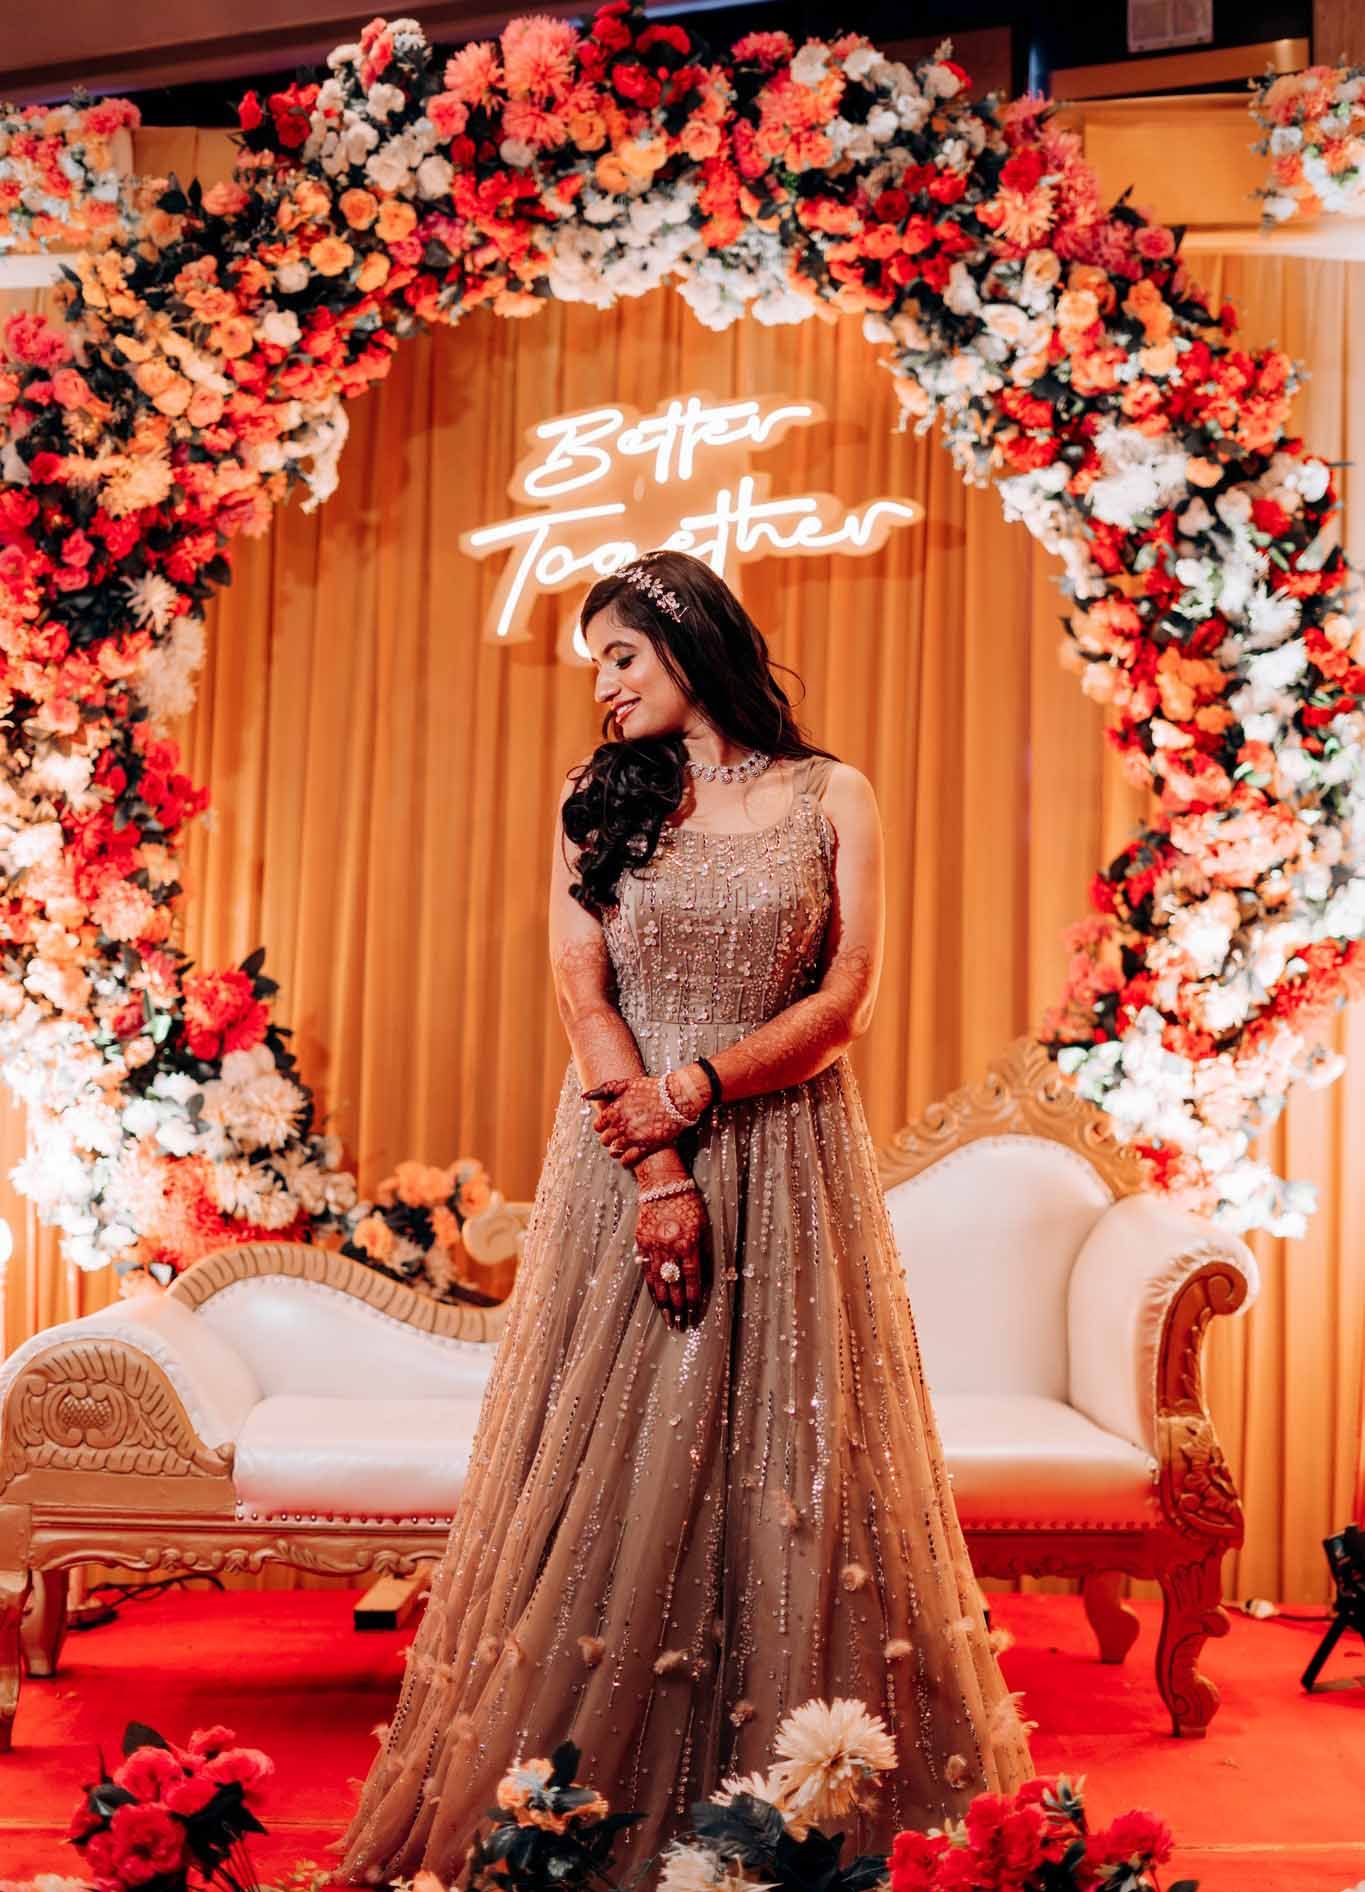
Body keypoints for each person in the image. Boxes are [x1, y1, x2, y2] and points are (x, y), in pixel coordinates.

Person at [330, 549, 1033, 1887]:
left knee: (789, 1460)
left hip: (782, 1148)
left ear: (689, 644)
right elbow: (579, 986)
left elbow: (849, 999)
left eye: (618, 657)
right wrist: (656, 1160)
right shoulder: (596, 801)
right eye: (592, 665)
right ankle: (579, 1815)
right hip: (621, 1155)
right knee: (616, 1465)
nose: (599, 687)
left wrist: (697, 1088)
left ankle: (804, 1817)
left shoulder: (831, 793)